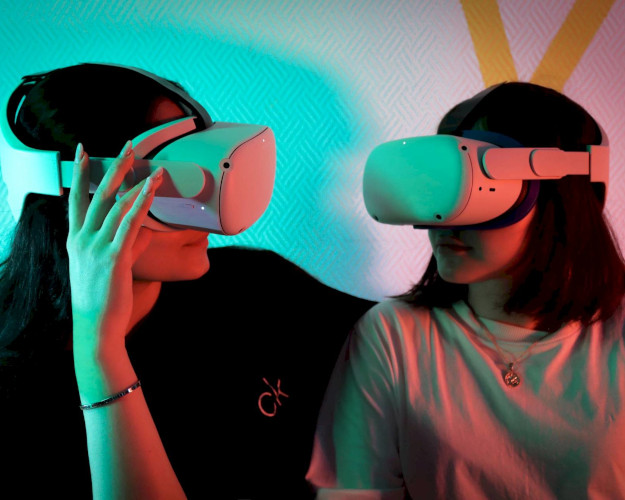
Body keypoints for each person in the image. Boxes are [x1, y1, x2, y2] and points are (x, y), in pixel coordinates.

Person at [0, 63, 374, 498]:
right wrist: (100, 352)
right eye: (167, 183)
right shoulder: (15, 391)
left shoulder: (256, 287)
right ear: (75, 201)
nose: (204, 211)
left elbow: (405, 340)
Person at [306, 82, 625, 498]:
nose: (447, 219)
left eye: (479, 187)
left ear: (561, 197)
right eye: (443, 186)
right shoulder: (393, 336)